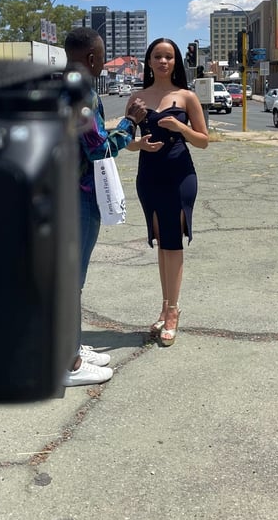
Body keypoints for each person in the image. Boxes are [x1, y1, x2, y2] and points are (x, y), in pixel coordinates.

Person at [63, 28, 148, 386]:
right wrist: (130, 124)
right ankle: (68, 364)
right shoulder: (82, 92)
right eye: (100, 56)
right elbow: (98, 149)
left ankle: (72, 348)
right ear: (93, 59)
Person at [126, 38, 209, 347]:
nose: (163, 61)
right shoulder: (137, 98)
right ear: (148, 61)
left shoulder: (186, 97)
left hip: (180, 175)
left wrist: (181, 129)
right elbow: (125, 140)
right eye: (158, 56)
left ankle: (173, 312)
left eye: (169, 57)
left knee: (173, 243)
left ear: (176, 63)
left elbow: (203, 140)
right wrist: (139, 145)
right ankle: (165, 306)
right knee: (162, 243)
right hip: (149, 176)